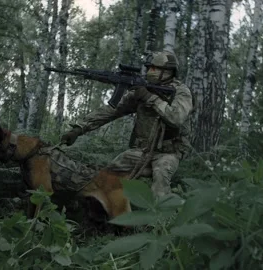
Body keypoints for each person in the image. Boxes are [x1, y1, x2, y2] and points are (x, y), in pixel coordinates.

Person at [61, 51, 193, 199]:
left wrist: (150, 98)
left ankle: (162, 220)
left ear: (168, 72)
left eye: (154, 68)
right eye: (149, 68)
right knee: (108, 175)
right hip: (142, 151)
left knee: (161, 176)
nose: (150, 72)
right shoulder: (142, 89)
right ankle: (106, 209)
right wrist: (79, 128)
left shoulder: (181, 92)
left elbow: (176, 117)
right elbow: (112, 111)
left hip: (168, 153)